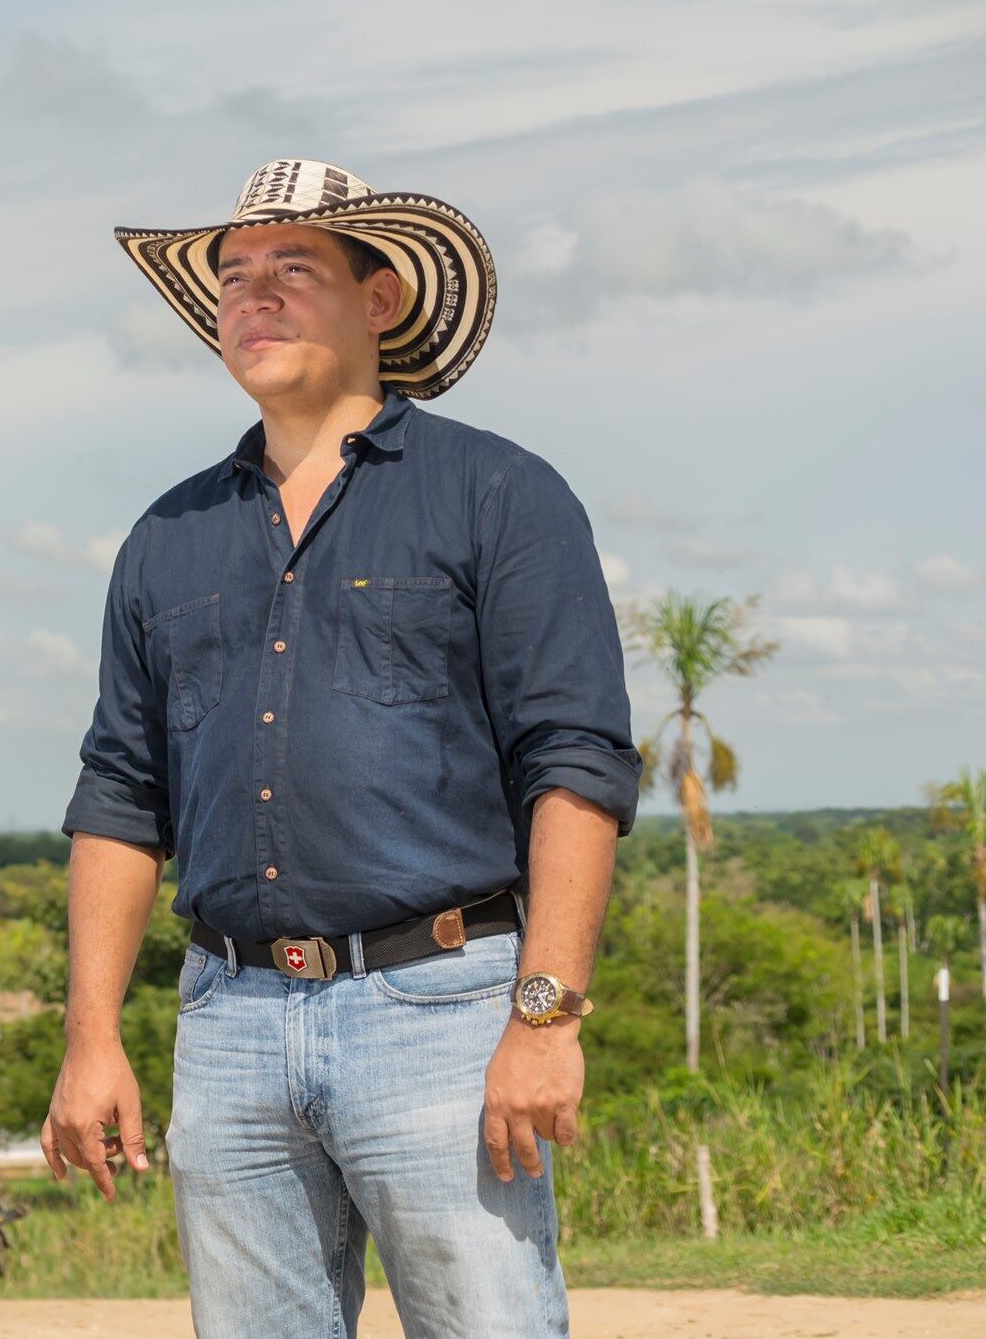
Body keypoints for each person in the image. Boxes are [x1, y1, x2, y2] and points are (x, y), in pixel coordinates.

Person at [43, 159, 641, 1337]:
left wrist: (543, 1018)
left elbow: (572, 760)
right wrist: (89, 1038)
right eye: (232, 276)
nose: (251, 295)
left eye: (291, 268)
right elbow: (118, 793)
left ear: (379, 300)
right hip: (227, 1024)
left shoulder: (497, 495)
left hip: (441, 1011)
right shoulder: (165, 538)